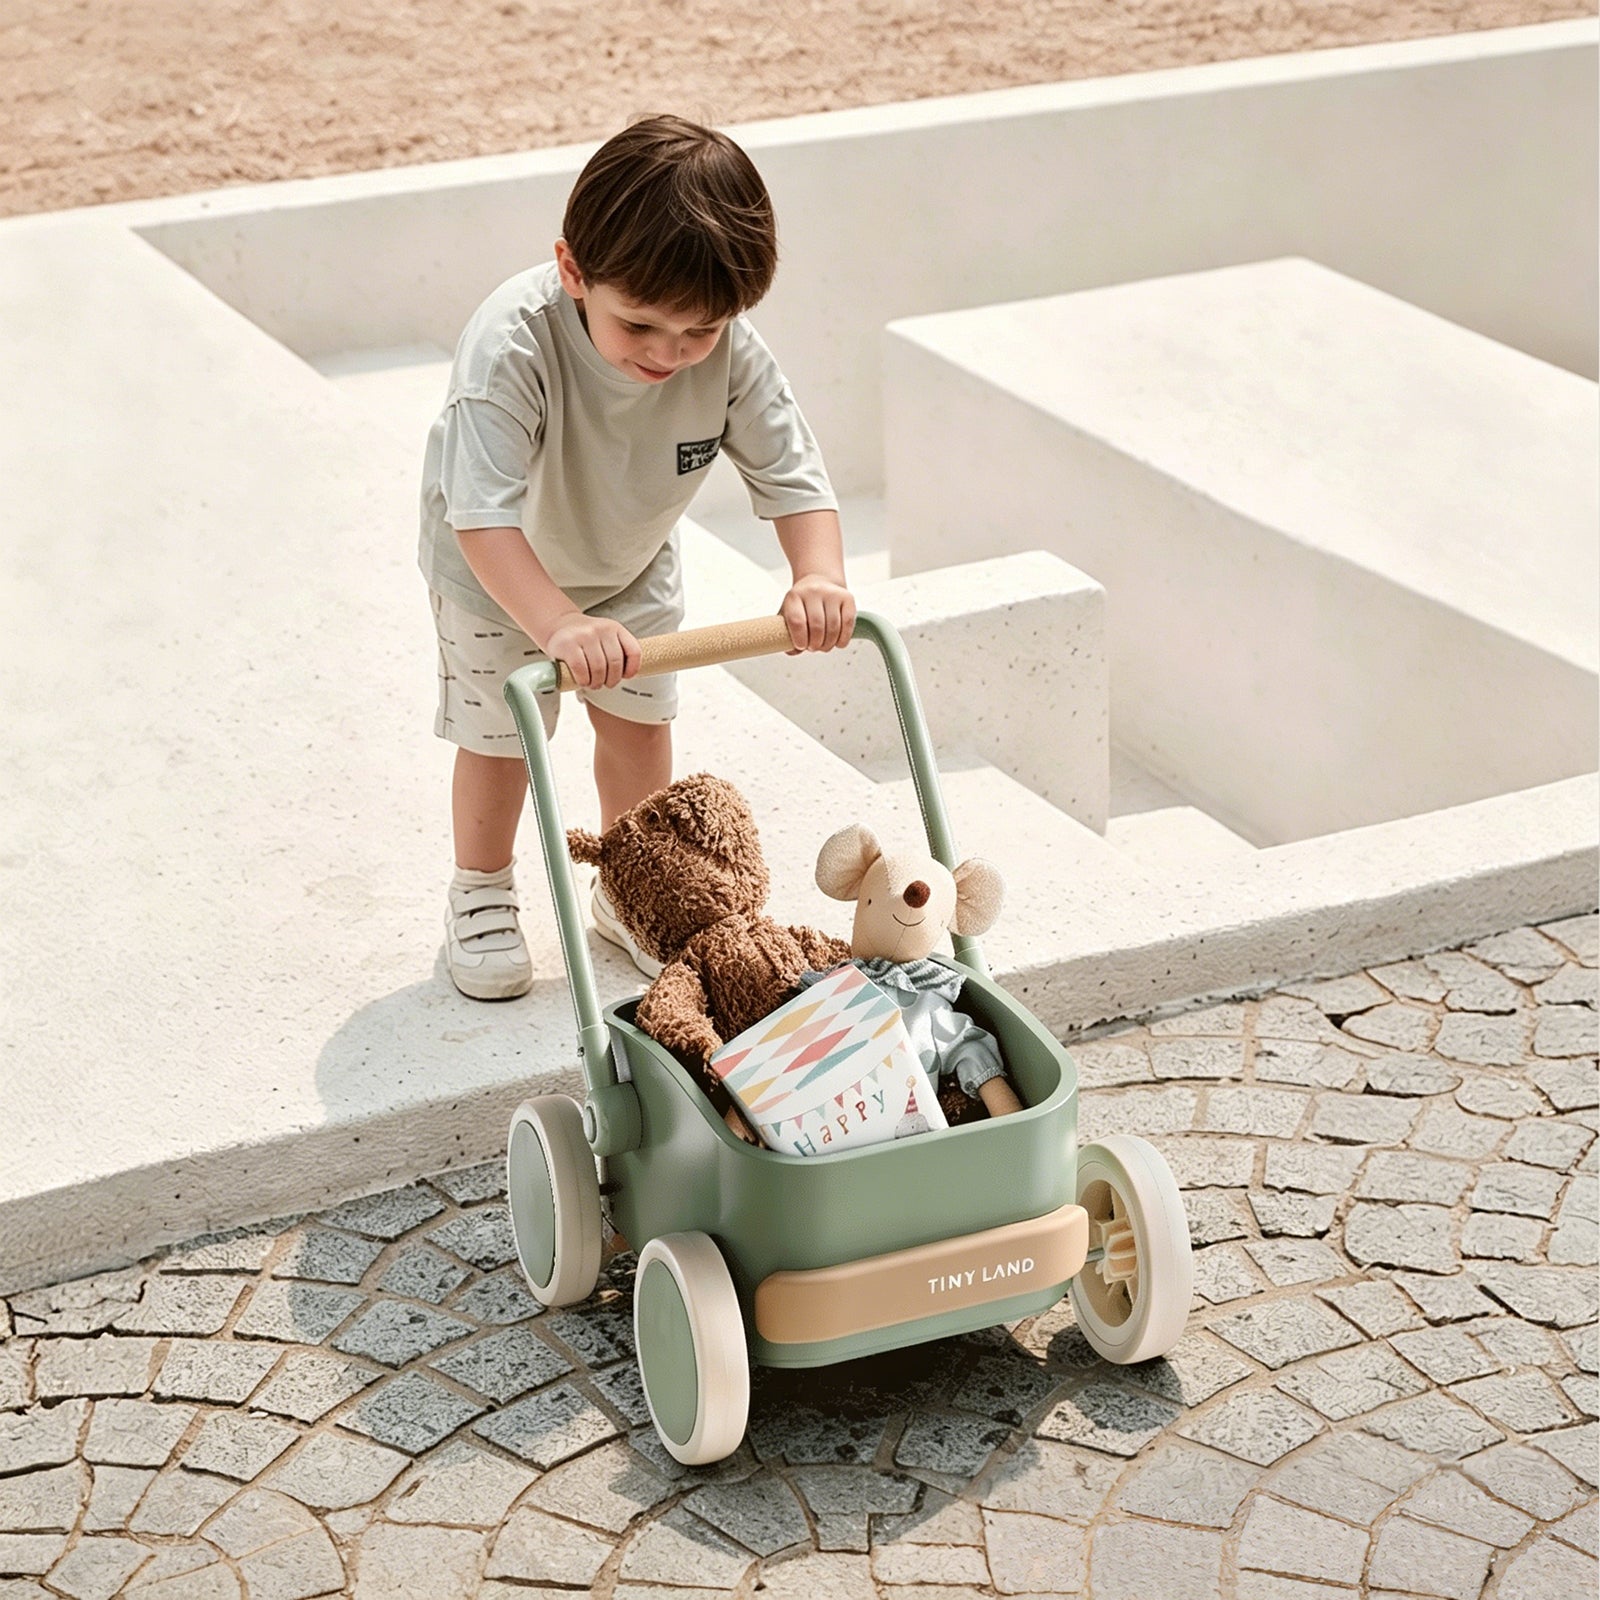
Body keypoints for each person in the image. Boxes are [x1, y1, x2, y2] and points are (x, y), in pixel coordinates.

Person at [420, 114, 855, 1000]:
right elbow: (483, 518)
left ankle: (631, 886)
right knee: (506, 739)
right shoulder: (513, 347)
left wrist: (817, 574)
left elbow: (795, 474)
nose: (669, 354)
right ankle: (481, 888)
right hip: (501, 576)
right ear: (575, 270)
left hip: (628, 564)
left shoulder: (726, 349)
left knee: (638, 733)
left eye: (696, 334)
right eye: (642, 325)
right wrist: (557, 624)